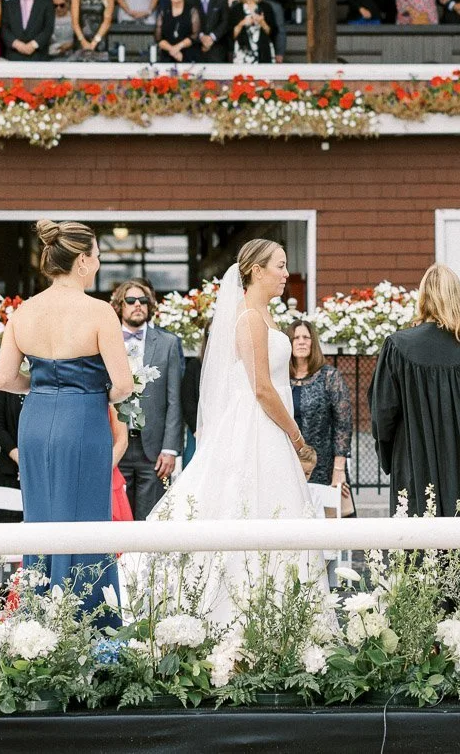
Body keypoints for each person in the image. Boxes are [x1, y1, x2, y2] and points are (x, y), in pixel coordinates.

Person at [119, 239, 319, 629]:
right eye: (279, 266)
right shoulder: (248, 318)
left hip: (269, 430)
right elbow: (262, 387)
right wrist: (298, 440)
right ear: (256, 271)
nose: (285, 274)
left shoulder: (266, 315)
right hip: (258, 428)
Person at [0, 223, 135, 602]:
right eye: (99, 256)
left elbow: (4, 378)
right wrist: (89, 389)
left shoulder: (24, 311)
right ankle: (89, 620)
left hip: (35, 421)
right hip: (84, 419)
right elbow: (122, 386)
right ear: (83, 261)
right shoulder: (99, 312)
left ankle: (39, 620)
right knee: (86, 517)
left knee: (41, 516)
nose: (100, 262)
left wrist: (41, 387)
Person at [370, 263, 460, 517]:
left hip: (414, 463)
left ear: (423, 297)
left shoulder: (397, 346)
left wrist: (394, 460)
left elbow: (383, 415)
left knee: (418, 547)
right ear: (458, 298)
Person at [111, 282, 184, 522]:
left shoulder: (168, 343)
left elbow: (175, 399)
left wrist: (170, 449)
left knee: (152, 522)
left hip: (153, 451)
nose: (137, 306)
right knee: (116, 520)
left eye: (142, 301)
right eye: (130, 301)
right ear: (120, 306)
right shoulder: (106, 342)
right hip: (115, 445)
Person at [287, 320, 349, 502]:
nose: (301, 342)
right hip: (288, 462)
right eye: (296, 338)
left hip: (324, 465)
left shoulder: (329, 377)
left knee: (327, 522)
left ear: (313, 342)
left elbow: (343, 426)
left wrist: (339, 470)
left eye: (306, 337)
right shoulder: (281, 378)